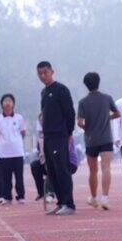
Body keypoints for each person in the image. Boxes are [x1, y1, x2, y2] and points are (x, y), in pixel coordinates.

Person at [37, 61, 76, 216]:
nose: (43, 76)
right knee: (52, 172)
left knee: (62, 170)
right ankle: (61, 202)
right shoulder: (44, 92)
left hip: (60, 136)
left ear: (52, 71)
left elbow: (70, 112)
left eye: (45, 72)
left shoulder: (61, 90)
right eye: (40, 73)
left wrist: (69, 133)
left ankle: (69, 203)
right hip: (48, 136)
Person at [77, 72, 120, 210]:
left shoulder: (82, 102)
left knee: (93, 170)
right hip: (106, 138)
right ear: (98, 82)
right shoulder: (107, 98)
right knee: (106, 167)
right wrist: (107, 118)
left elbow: (79, 122)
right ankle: (105, 198)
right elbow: (118, 113)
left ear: (86, 85)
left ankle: (94, 198)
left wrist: (88, 126)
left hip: (91, 139)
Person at [0, 94, 26, 204]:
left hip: (17, 151)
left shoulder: (19, 118)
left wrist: (14, 140)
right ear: (2, 104)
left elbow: (23, 132)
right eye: (5, 101)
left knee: (19, 176)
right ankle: (7, 197)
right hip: (4, 153)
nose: (7, 103)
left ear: (13, 104)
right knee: (6, 177)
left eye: (10, 101)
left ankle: (21, 196)